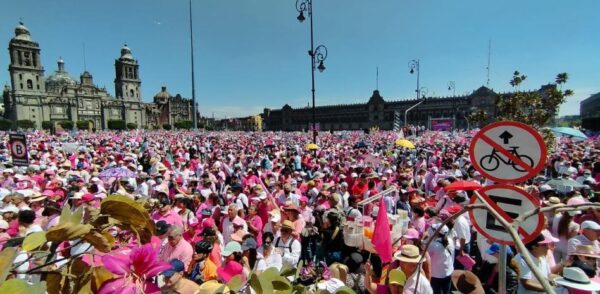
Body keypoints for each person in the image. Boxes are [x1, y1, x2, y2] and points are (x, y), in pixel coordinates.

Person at [426, 224, 454, 294]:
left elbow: (424, 251)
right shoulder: (450, 241)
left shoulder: (433, 245)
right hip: (448, 272)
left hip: (435, 275)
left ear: (437, 233)